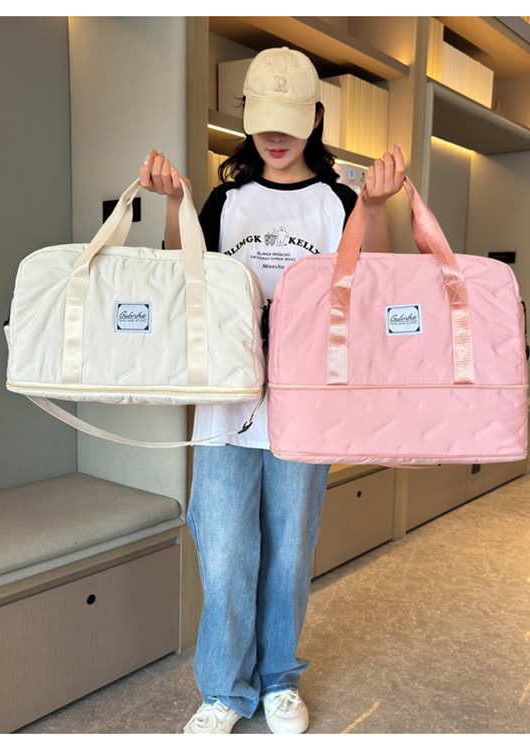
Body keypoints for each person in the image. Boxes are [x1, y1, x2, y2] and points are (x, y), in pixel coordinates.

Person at [140, 47, 405, 734]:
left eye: (290, 118)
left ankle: (279, 678)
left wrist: (375, 208)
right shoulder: (226, 200)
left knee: (288, 550)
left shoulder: (338, 202)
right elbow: (183, 279)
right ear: (246, 118)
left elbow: (371, 291)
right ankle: (225, 691)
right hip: (227, 404)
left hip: (304, 405)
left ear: (315, 118)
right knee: (226, 551)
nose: (276, 135)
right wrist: (174, 204)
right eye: (262, 119)